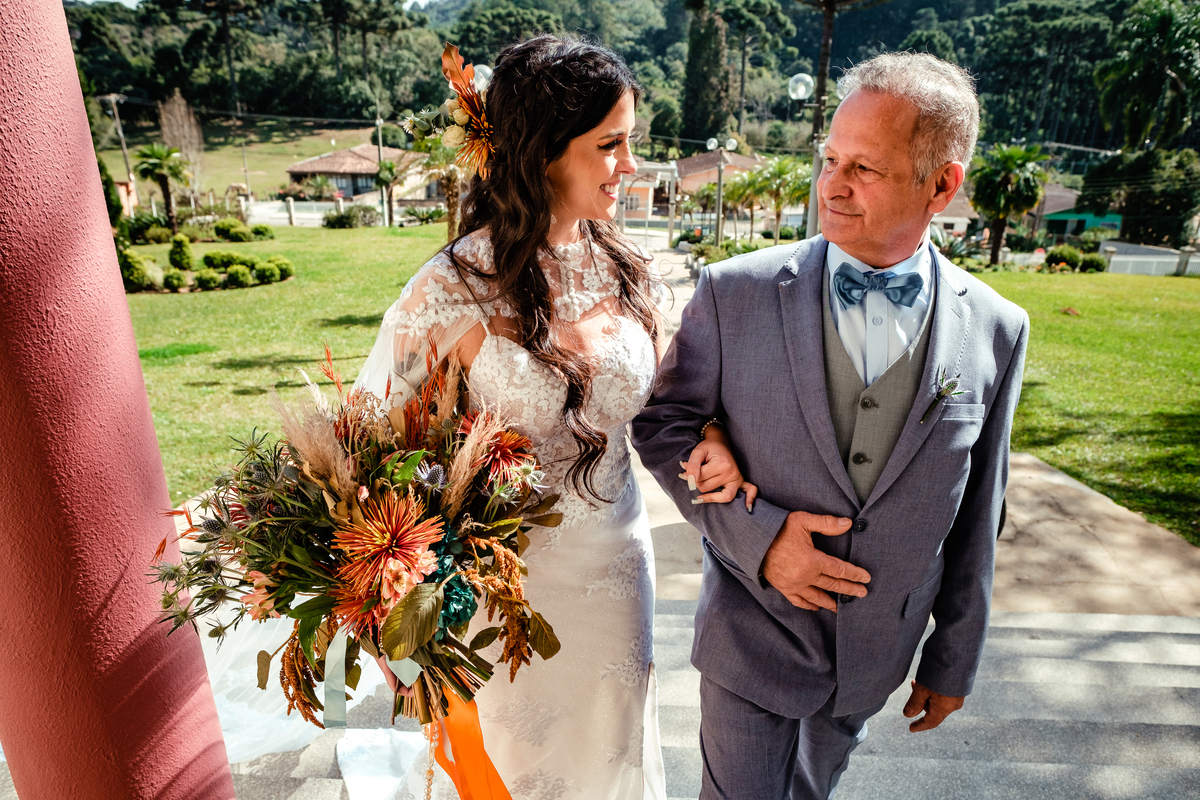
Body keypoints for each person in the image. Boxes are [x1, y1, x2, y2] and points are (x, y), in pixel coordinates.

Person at [353, 35, 750, 799]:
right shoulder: (449, 289)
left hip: (614, 568)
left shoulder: (629, 269)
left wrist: (712, 435)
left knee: (607, 754)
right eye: (610, 146)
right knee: (507, 762)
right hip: (499, 590)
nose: (630, 167)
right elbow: (374, 460)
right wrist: (391, 615)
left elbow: (673, 401)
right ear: (540, 155)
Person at [631, 52, 1030, 799]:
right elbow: (664, 422)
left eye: (864, 169)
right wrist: (759, 540)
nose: (831, 186)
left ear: (942, 183)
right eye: (830, 159)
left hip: (876, 652)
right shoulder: (736, 292)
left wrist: (953, 657)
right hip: (752, 633)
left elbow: (981, 510)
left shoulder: (998, 328)